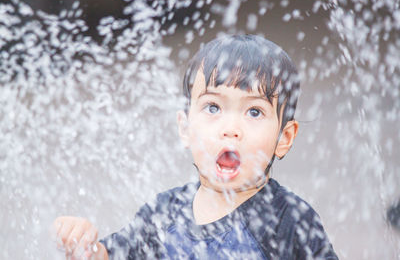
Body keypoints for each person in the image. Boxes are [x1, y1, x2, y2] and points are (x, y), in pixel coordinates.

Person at [53, 34, 338, 259]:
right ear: (185, 128)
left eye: (254, 112)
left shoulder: (288, 220)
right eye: (213, 107)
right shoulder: (163, 214)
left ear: (284, 138)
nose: (230, 129)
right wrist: (86, 249)